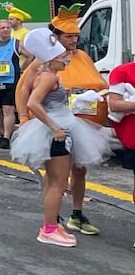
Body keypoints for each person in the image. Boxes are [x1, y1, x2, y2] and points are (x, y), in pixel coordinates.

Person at [9, 29, 115, 246]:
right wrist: (54, 127)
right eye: (62, 57)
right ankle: (49, 229)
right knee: (58, 183)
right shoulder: (47, 77)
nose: (67, 59)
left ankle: (52, 225)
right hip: (57, 133)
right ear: (51, 59)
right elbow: (32, 103)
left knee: (54, 181)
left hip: (62, 127)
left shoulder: (48, 75)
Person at [0, 19, 21, 148]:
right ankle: (0, 131)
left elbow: (29, 56)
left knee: (8, 109)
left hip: (11, 81)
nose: (6, 30)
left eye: (8, 27)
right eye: (3, 28)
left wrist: (22, 68)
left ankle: (6, 138)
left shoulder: (16, 43)